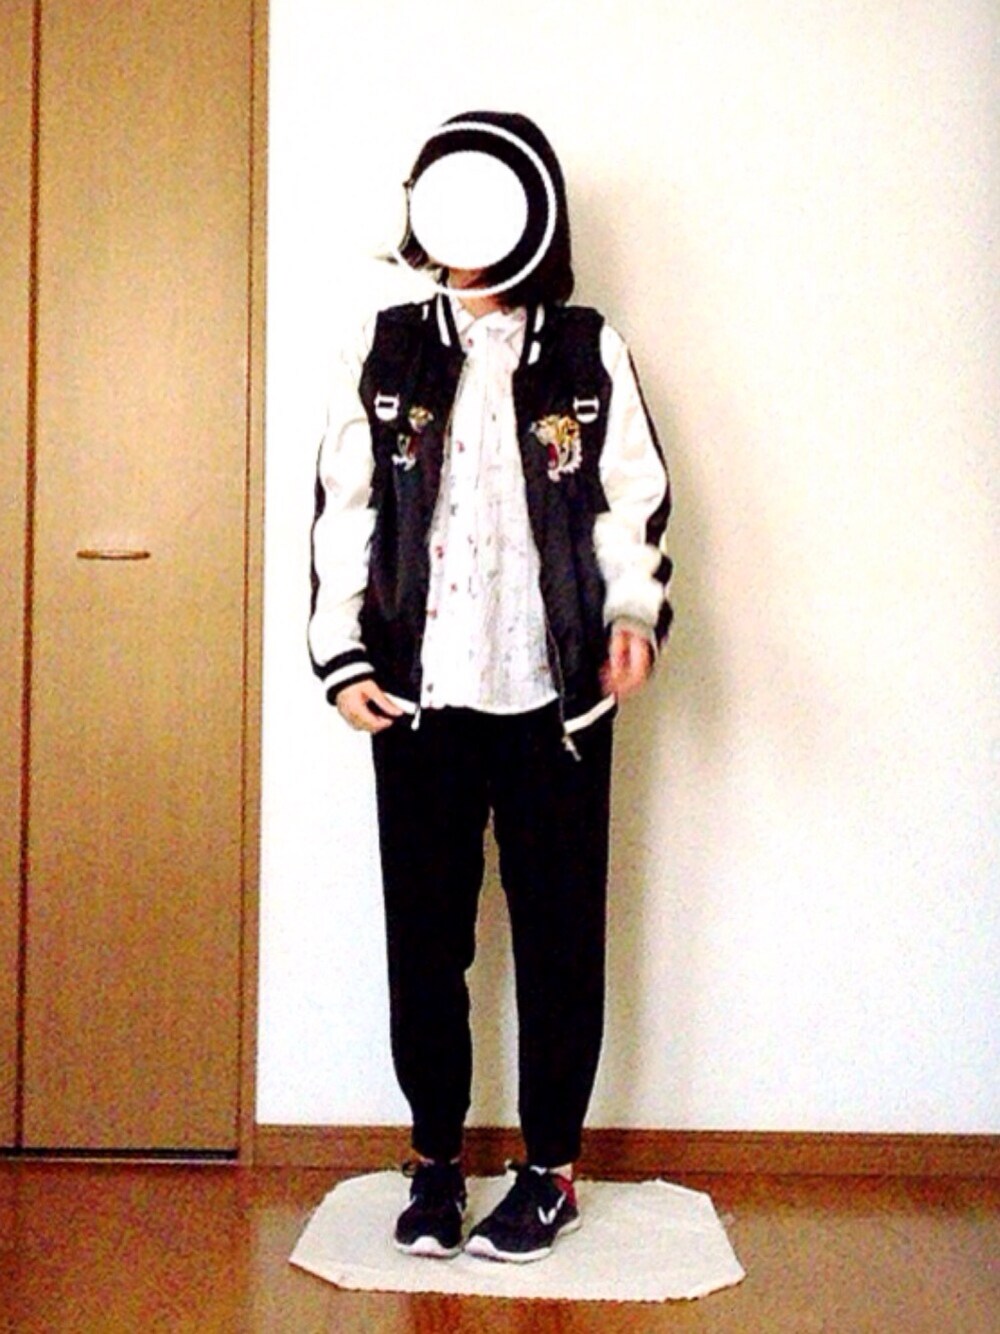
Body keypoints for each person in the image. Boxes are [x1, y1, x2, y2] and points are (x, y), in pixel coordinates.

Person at [308, 110, 672, 1263]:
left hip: (555, 698)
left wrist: (631, 616)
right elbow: (345, 509)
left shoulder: (586, 347)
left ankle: (550, 1169)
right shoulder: (384, 347)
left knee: (561, 938)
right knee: (426, 940)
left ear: (531, 213)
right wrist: (342, 656)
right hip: (417, 697)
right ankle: (432, 1160)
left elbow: (628, 499)